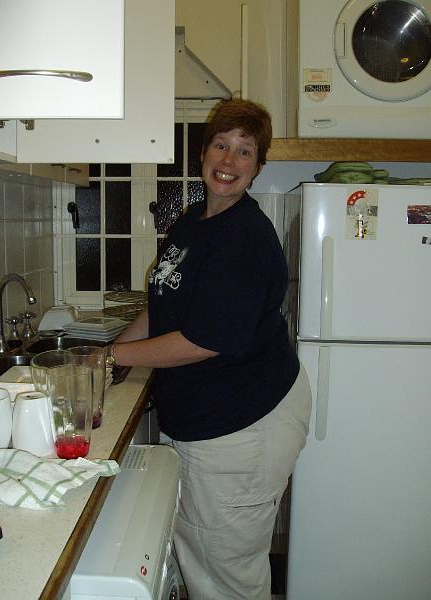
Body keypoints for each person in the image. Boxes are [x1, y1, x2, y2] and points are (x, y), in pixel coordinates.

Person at [107, 98, 312, 600]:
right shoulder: (196, 220)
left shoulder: (244, 237)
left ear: (259, 167)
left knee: (226, 576)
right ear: (203, 154)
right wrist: (111, 351)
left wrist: (112, 359)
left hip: (243, 424)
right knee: (207, 559)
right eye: (222, 145)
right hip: (220, 417)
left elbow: (205, 340)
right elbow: (166, 306)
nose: (229, 161)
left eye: (245, 152)